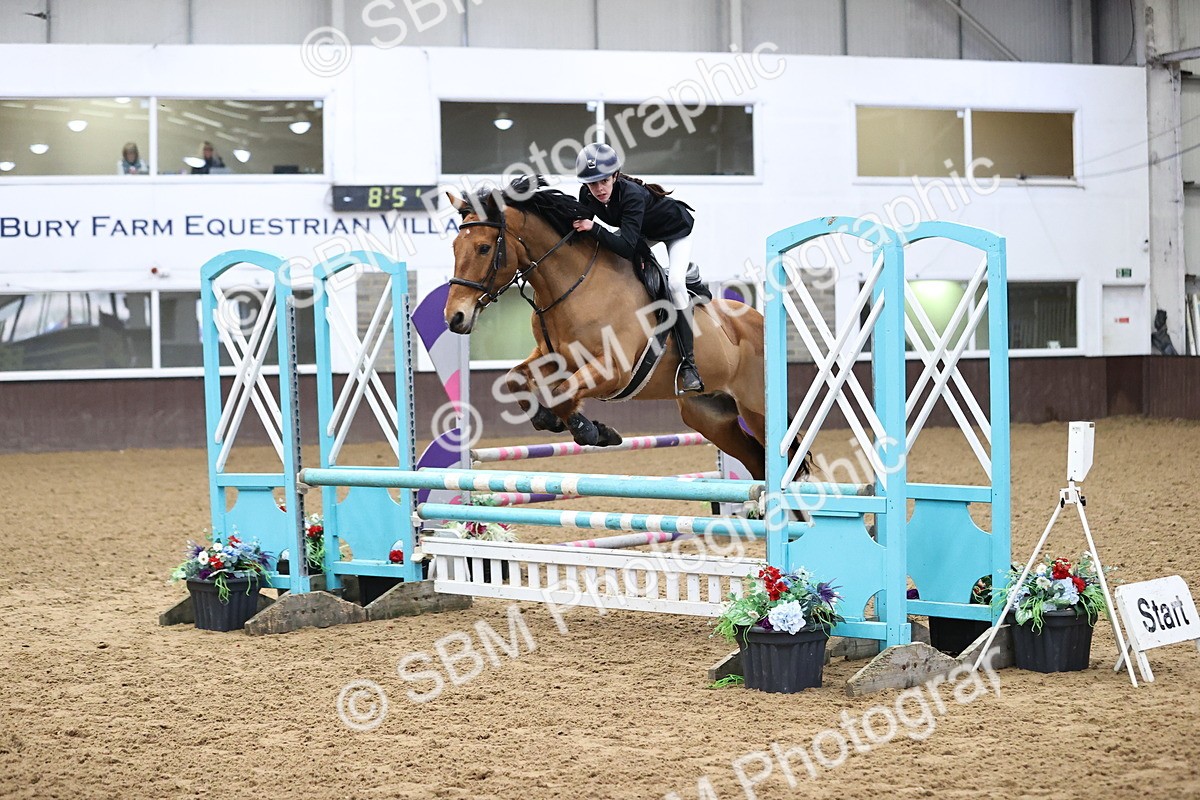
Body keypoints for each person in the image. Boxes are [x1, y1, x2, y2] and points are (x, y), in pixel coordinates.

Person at [572, 142, 703, 393]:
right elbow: (580, 229)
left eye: (604, 181)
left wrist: (596, 228)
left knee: (675, 284)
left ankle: (689, 366)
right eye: (592, 184)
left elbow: (626, 246)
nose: (599, 189)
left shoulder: (631, 194)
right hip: (641, 232)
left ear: (615, 176)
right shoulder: (587, 195)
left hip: (675, 230)